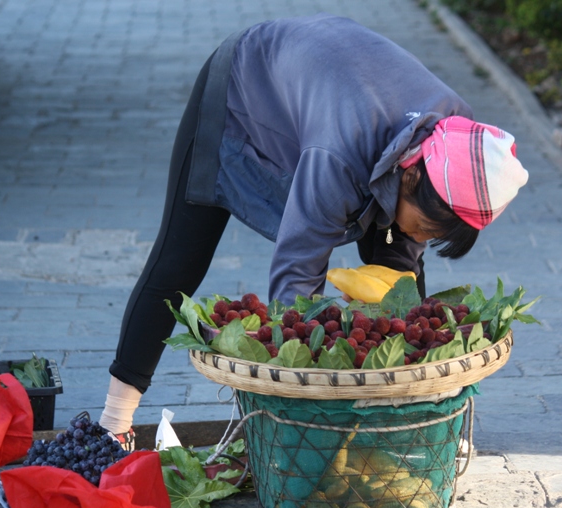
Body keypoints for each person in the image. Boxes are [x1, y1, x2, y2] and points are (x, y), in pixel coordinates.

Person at [99, 14, 529, 449]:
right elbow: (294, 282)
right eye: (424, 227)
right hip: (243, 88)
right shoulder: (340, 153)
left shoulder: (458, 141)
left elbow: (403, 279)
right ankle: (114, 424)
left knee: (400, 288)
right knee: (179, 261)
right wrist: (307, 404)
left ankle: (415, 421)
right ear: (413, 177)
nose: (420, 239)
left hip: (340, 96)